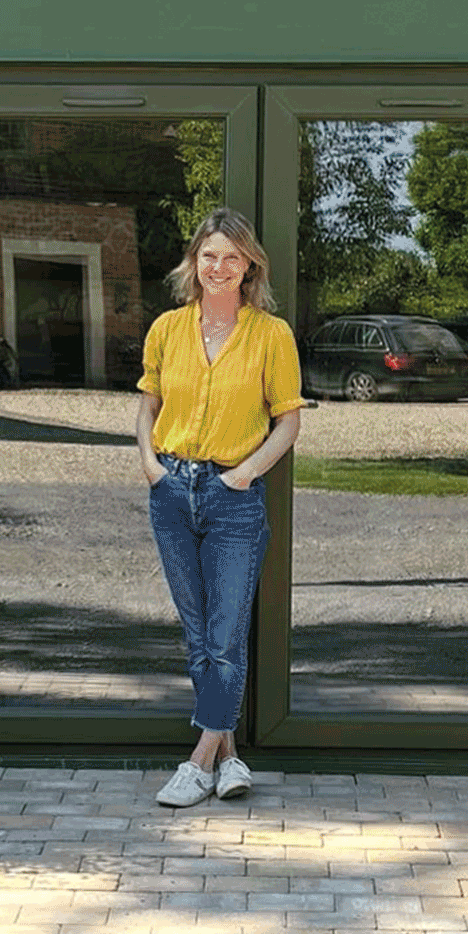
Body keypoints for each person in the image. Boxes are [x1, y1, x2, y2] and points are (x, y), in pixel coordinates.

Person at [136, 207, 304, 807]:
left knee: (226, 634)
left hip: (233, 497)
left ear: (249, 265)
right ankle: (230, 758)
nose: (219, 266)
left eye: (232, 256)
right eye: (209, 255)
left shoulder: (270, 335)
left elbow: (287, 424)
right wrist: (150, 466)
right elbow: (148, 407)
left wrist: (244, 474)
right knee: (199, 631)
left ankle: (198, 758)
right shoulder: (166, 330)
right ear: (194, 262)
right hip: (172, 492)